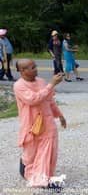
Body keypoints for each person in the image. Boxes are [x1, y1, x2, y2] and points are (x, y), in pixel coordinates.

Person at [14, 59, 67, 188]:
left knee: (49, 151)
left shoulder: (41, 82)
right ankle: (29, 170)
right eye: (32, 68)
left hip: (48, 123)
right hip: (31, 125)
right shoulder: (19, 85)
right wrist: (51, 84)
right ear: (22, 71)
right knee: (31, 153)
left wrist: (60, 115)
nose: (36, 69)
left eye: (35, 66)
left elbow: (49, 101)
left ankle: (43, 179)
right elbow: (33, 99)